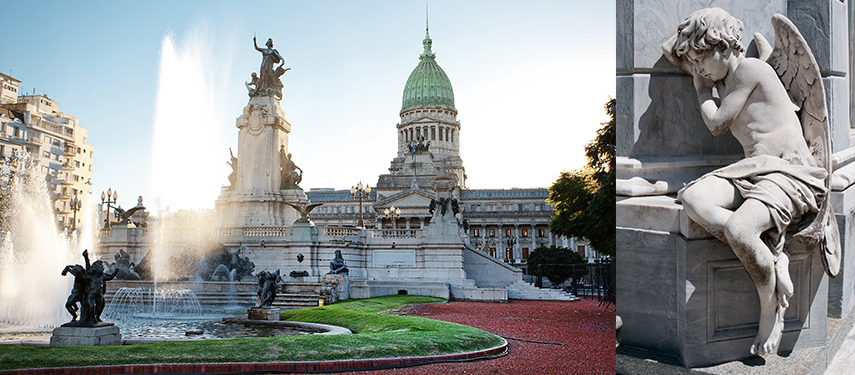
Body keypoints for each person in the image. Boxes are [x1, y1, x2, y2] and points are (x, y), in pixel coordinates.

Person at [664, 8, 827, 356]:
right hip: (753, 170)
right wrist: (692, 52)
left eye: (700, 59)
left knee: (740, 230)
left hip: (789, 173)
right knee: (693, 199)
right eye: (693, 64)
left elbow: (716, 124)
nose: (698, 70)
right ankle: (772, 255)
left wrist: (701, 91)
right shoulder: (722, 77)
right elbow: (671, 50)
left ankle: (771, 308)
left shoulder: (751, 69)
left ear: (723, 46)